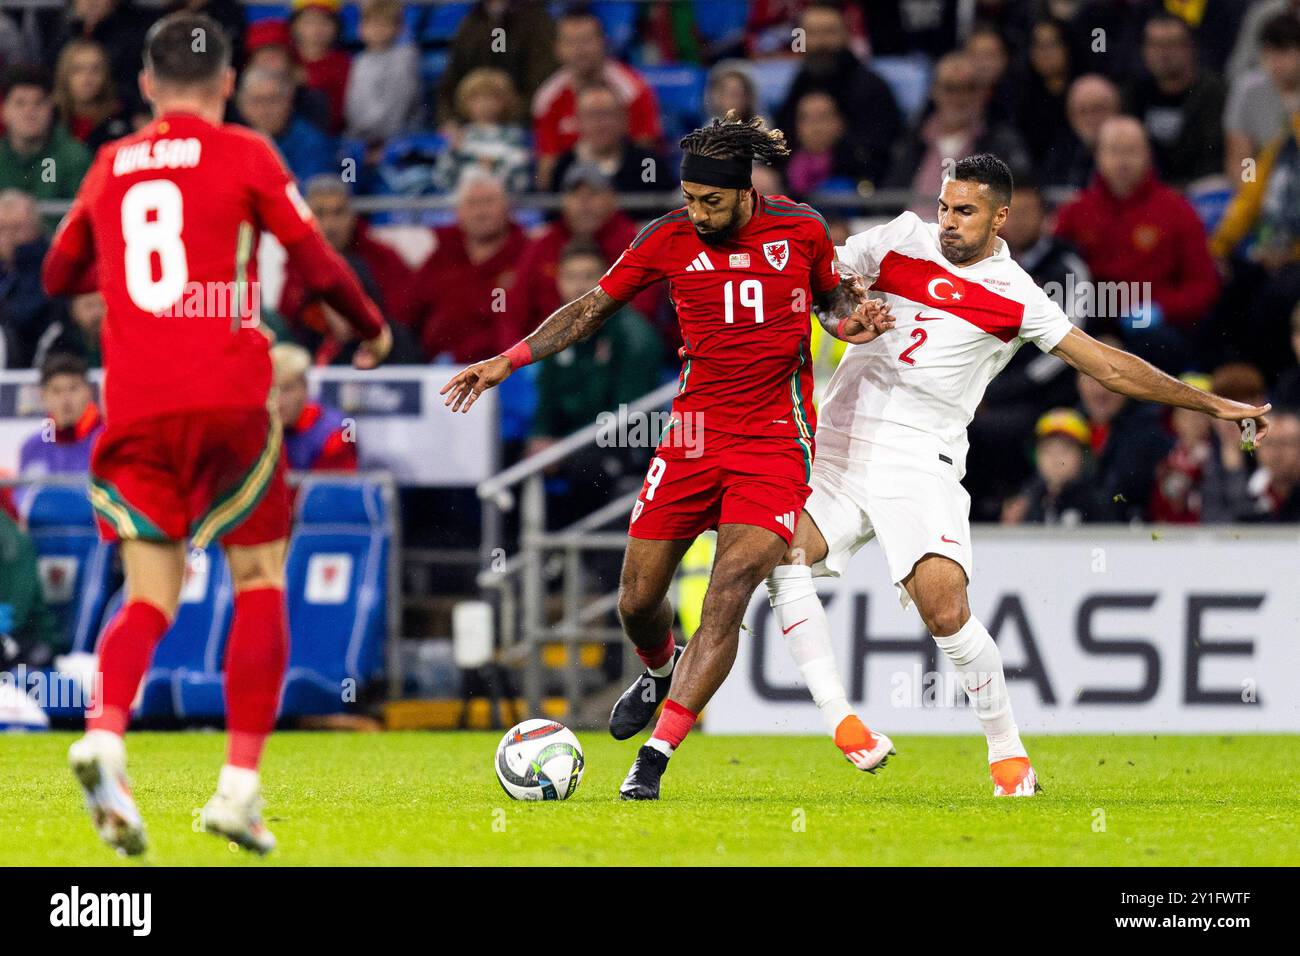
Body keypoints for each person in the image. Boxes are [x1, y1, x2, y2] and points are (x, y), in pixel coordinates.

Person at [762, 155, 1268, 799]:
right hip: (837, 446)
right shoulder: (898, 238)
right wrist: (843, 312)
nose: (947, 223)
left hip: (921, 461)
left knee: (944, 610)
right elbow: (818, 277)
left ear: (1001, 216)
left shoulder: (1018, 296)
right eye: (945, 207)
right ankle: (843, 721)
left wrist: (1212, 402)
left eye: (965, 212)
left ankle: (1007, 751)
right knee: (780, 553)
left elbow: (1108, 368)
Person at [442, 113, 884, 800]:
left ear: (744, 193)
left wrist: (852, 322)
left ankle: (654, 757)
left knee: (729, 589)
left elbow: (831, 307)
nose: (697, 212)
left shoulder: (801, 229)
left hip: (774, 439)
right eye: (688, 199)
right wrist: (509, 359)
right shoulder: (667, 238)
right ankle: (657, 669)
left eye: (711, 201)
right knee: (636, 599)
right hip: (692, 437)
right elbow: (591, 307)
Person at [42, 12, 391, 857]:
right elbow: (317, 264)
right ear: (229, 83)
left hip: (135, 407)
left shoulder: (111, 162)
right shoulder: (246, 153)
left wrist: (116, 272)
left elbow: (56, 272)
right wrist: (370, 328)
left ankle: (106, 732)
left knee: (148, 593)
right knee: (261, 575)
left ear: (149, 86)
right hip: (232, 401)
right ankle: (238, 788)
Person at [1055, 116, 1219, 372]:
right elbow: (1054, 272)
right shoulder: (1075, 213)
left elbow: (1203, 285)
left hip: (1152, 328)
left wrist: (1162, 309)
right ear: (1098, 156)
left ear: (1148, 155)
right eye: (1114, 151)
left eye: (1132, 151)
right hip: (1091, 318)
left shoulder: (1177, 211)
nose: (1122, 161)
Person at [531, 8, 662, 190]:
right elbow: (547, 167)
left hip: (627, 186)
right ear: (557, 48)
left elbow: (645, 154)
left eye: (586, 40)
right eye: (571, 42)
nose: (580, 50)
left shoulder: (633, 89)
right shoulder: (547, 98)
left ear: (603, 42)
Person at [773, 1, 900, 187]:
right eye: (812, 33)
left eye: (829, 32)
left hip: (859, 192)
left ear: (846, 34)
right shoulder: (801, 81)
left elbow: (880, 150)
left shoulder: (871, 86)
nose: (820, 42)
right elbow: (781, 137)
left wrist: (831, 150)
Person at [413, 171, 528, 362]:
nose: (480, 212)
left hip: (509, 367)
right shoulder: (443, 254)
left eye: (488, 202)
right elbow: (412, 306)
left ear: (507, 207)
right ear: (458, 212)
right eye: (472, 204)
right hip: (443, 367)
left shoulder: (526, 254)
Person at [1124, 13, 1226, 188]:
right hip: (1145, 192)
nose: (1163, 54)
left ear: (1190, 47)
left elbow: (1214, 157)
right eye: (1155, 45)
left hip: (1198, 191)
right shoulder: (1134, 92)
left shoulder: (1215, 93)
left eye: (1171, 45)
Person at [0, 66, 92, 216]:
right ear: (4, 111)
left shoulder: (75, 157)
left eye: (38, 103)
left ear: (51, 108)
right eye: (20, 103)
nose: (29, 112)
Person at [1001, 408, 1114, 526]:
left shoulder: (1095, 501)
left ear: (1083, 457)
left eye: (1065, 450)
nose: (1056, 459)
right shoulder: (1028, 501)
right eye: (1047, 451)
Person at [1224, 13, 1300, 184]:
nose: (1275, 62)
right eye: (1269, 52)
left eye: (1284, 52)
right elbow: (1243, 157)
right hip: (1263, 184)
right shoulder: (1247, 90)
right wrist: (1249, 186)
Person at [547, 82, 663, 194]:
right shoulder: (564, 165)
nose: (599, 124)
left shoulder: (648, 163)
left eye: (607, 114)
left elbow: (664, 208)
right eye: (591, 116)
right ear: (578, 121)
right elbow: (553, 211)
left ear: (624, 119)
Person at [236, 66, 337, 183]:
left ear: (289, 102)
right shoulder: (234, 141)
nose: (265, 110)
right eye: (257, 101)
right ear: (241, 105)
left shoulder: (312, 143)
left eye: (273, 100)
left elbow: (307, 196)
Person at [342, 0, 419, 145]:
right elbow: (353, 105)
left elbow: (397, 109)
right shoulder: (360, 60)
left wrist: (366, 134)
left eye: (384, 24)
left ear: (399, 28)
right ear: (360, 29)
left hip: (398, 138)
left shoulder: (405, 58)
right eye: (371, 24)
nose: (377, 29)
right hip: (362, 137)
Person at [18, 352, 103, 482]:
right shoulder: (32, 447)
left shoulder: (106, 441)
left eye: (73, 389)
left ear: (88, 391)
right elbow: (23, 499)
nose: (65, 399)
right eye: (56, 391)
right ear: (43, 396)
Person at [272, 342, 357, 472]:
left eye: (287, 389)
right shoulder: (260, 430)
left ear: (305, 387)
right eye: (271, 391)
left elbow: (332, 489)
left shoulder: (335, 435)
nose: (278, 401)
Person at [1041, 73, 1121, 189]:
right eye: (1082, 111)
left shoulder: (1132, 153)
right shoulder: (1061, 154)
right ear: (1071, 116)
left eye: (1098, 109)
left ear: (1116, 109)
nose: (1090, 118)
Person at [52, 39, 133, 152]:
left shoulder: (122, 117)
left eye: (95, 69)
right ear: (64, 74)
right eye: (78, 70)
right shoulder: (50, 118)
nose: (87, 78)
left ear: (105, 74)